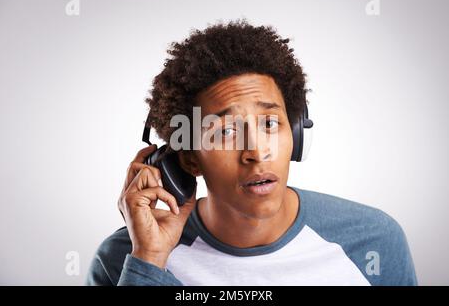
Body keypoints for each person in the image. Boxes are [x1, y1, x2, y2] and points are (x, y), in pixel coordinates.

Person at [86, 19, 417, 286]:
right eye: (226, 132)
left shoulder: (373, 239)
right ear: (188, 158)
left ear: (296, 134)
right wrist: (150, 259)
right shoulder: (124, 258)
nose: (257, 152)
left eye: (270, 123)